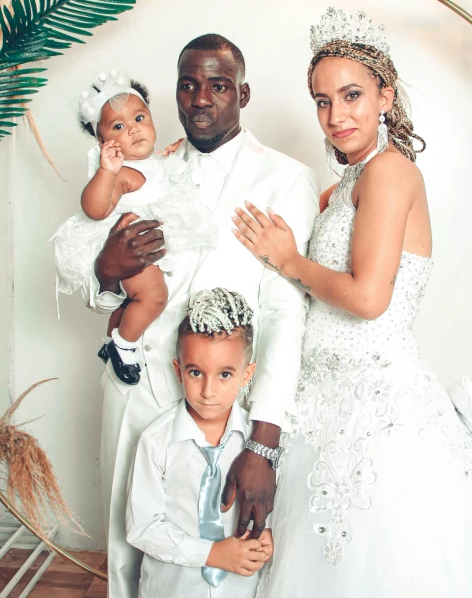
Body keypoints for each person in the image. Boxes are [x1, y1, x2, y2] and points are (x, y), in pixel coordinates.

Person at [233, 8, 472, 597]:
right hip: (324, 402)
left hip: (376, 407)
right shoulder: (349, 183)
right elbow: (284, 196)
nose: (336, 115)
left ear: (386, 95)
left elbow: (368, 297)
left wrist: (289, 261)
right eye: (323, 102)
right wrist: (181, 156)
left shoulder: (391, 172)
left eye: (351, 95)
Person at [67, 34, 319, 598]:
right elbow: (104, 289)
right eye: (188, 85)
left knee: (220, 564)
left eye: (219, 85)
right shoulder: (142, 168)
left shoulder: (286, 178)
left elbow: (284, 315)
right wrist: (107, 271)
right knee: (128, 549)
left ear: (243, 93)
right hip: (134, 393)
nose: (201, 98)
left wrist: (264, 441)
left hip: (221, 405)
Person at [52, 70, 216, 385]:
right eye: (118, 126)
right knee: (154, 296)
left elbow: (164, 176)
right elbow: (95, 208)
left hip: (146, 246)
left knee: (132, 302)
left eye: (139, 118)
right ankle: (124, 346)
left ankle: (111, 339)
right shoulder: (122, 172)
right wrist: (106, 171)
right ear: (103, 141)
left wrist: (171, 155)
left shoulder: (151, 162)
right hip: (129, 247)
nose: (134, 130)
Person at [127, 288, 274, 598]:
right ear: (179, 370)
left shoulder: (258, 444)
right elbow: (142, 527)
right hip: (172, 588)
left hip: (240, 588)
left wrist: (269, 535)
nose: (208, 391)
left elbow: (271, 502)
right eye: (196, 372)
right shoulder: (156, 442)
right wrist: (211, 554)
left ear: (246, 375)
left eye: (224, 374)